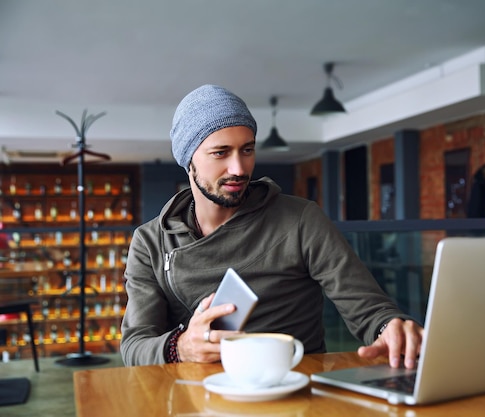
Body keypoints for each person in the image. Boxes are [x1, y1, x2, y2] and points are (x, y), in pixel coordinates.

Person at [120, 84, 424, 368]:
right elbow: (135, 345)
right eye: (220, 153)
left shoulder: (301, 219)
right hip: (199, 395)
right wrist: (181, 347)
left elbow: (369, 309)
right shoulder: (151, 242)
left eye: (247, 150)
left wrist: (390, 327)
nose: (239, 169)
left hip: (295, 388)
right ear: (189, 161)